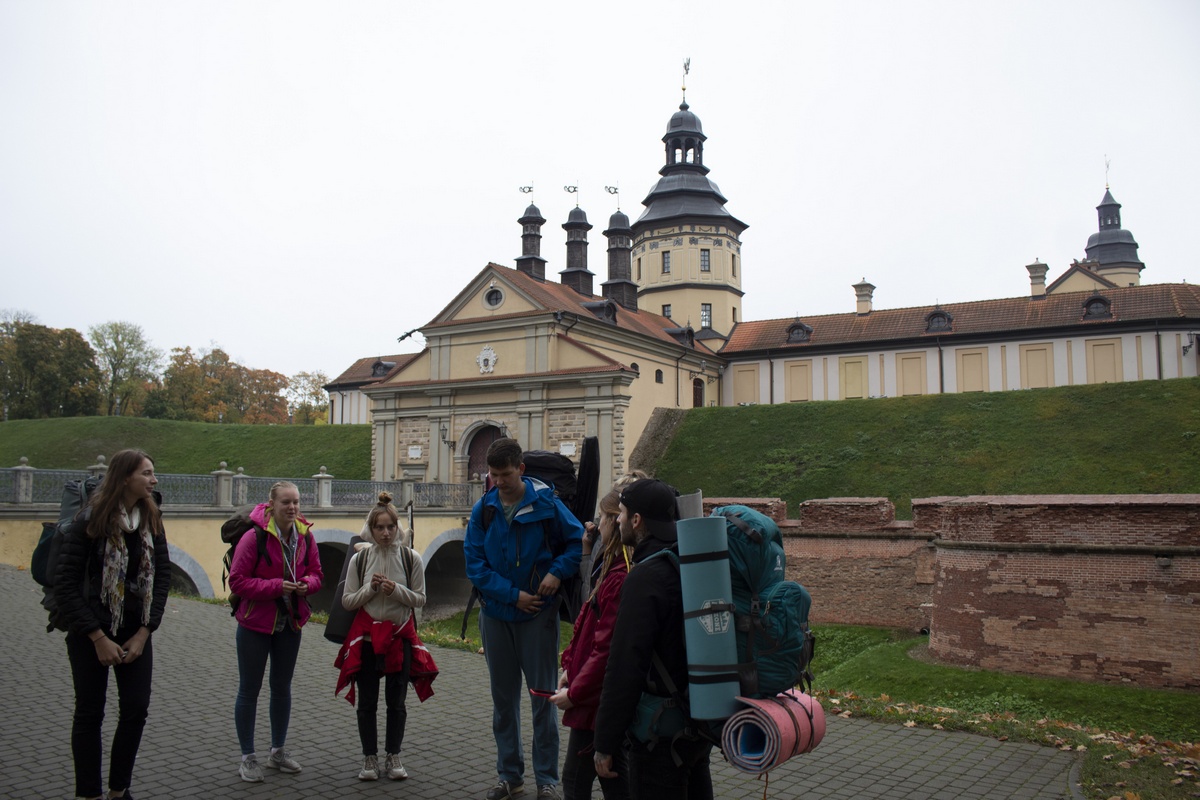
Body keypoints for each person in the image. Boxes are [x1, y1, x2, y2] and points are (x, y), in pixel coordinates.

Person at [464, 438, 584, 800]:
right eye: (493, 475)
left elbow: (576, 543)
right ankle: (509, 775)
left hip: (538, 618)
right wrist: (513, 595)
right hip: (497, 615)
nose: (498, 482)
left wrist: (557, 572)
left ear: (521, 469)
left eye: (505, 474)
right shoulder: (483, 510)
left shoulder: (547, 504)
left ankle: (546, 780)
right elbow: (474, 565)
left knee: (542, 698)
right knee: (503, 702)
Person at [55, 448, 171, 800]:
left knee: (135, 709)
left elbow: (162, 577)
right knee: (90, 713)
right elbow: (66, 585)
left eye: (153, 473)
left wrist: (144, 632)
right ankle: (88, 793)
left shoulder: (151, 519)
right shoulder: (89, 521)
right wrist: (97, 637)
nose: (153, 480)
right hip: (90, 633)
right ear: (124, 478)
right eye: (147, 474)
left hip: (135, 630)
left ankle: (118, 789)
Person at [593, 478, 714, 800]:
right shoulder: (689, 561)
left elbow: (624, 667)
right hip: (698, 720)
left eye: (620, 513)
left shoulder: (645, 577)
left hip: (659, 734)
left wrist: (604, 743)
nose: (617, 520)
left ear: (636, 520)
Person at [335, 492, 437, 782]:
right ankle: (369, 757)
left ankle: (394, 755)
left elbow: (420, 598)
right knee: (367, 702)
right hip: (367, 638)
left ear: (397, 528)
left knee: (397, 701)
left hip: (398, 637)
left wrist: (395, 591)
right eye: (379, 527)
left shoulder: (410, 557)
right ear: (371, 528)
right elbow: (348, 601)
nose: (385, 533)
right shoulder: (360, 557)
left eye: (390, 527)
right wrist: (371, 589)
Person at [228, 480, 324, 783]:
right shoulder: (253, 537)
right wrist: (275, 587)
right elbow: (237, 581)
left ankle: (277, 750)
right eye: (286, 502)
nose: (292, 508)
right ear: (272, 505)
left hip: (290, 623)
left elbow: (318, 574)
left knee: (282, 688)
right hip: (255, 623)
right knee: (249, 689)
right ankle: (247, 757)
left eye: (296, 502)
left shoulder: (305, 536)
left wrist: (307, 584)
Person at [551, 488, 631, 800]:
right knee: (609, 776)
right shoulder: (611, 564)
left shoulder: (620, 575)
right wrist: (570, 665)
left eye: (605, 516)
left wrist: (576, 691)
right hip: (592, 690)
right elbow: (586, 617)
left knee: (578, 779)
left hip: (597, 697)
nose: (598, 523)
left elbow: (605, 646)